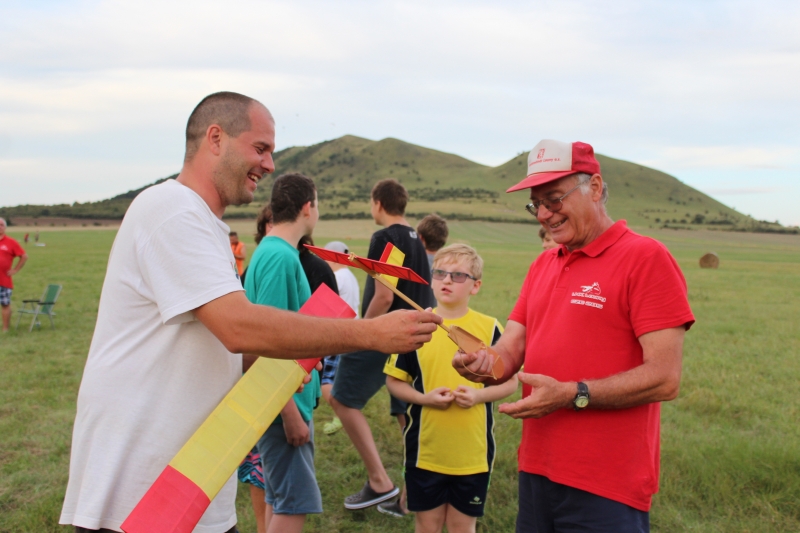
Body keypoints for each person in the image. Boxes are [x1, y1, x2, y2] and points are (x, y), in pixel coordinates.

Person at [59, 91, 440, 533]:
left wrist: (286, 362)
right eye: (260, 148)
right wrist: (370, 334)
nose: (270, 165)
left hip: (192, 472)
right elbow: (237, 327)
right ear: (215, 138)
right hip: (140, 483)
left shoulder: (205, 225)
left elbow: (221, 342)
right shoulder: (172, 210)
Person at [453, 139, 695, 533]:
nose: (544, 215)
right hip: (537, 469)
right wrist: (480, 364)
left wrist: (573, 394)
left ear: (594, 188)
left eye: (553, 199)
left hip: (607, 484)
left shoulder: (646, 258)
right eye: (536, 205)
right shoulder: (544, 263)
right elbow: (510, 349)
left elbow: (665, 377)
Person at [385, 243, 517, 533]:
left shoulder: (489, 328)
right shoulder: (416, 327)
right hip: (425, 452)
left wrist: (479, 395)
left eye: (458, 275)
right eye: (440, 273)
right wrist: (424, 398)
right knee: (427, 524)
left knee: (462, 526)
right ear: (431, 279)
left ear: (475, 286)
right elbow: (394, 381)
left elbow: (511, 381)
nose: (447, 280)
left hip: (472, 456)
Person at [330, 178, 435, 511]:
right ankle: (412, 495)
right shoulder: (416, 238)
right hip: (416, 339)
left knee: (341, 400)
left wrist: (362, 331)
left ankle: (380, 483)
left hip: (387, 336)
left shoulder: (385, 238)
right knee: (409, 418)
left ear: (378, 203)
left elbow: (385, 295)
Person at [245, 173, 325, 533]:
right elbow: (268, 342)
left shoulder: (273, 251)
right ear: (307, 208)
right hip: (284, 408)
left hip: (285, 402)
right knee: (294, 505)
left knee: (280, 499)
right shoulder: (280, 257)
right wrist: (290, 414)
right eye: (317, 205)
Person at [319, 240, 362, 435]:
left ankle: (342, 415)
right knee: (337, 380)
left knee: (325, 380)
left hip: (338, 334)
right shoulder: (350, 276)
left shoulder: (337, 277)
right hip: (353, 332)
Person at [0, 217, 28, 332]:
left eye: (1, 225)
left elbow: (24, 256)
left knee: (5, 304)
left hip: (4, 280)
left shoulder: (11, 242)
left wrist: (15, 270)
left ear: (5, 228)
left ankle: (5, 328)